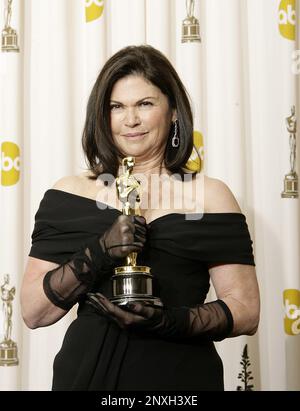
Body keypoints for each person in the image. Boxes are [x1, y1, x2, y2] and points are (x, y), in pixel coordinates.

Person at [21, 45, 260, 391]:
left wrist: (169, 322)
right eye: (116, 107)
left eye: (144, 104)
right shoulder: (69, 194)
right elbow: (33, 311)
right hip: (87, 376)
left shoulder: (210, 195)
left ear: (174, 111)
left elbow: (246, 310)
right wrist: (100, 251)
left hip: (181, 379)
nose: (130, 120)